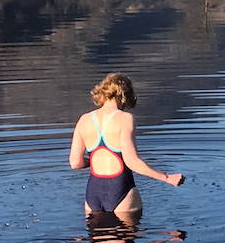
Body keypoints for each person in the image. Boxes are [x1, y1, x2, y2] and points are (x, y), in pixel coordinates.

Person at [69, 72, 183, 219]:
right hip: (121, 189)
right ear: (125, 95)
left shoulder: (84, 120)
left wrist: (100, 160)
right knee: (130, 239)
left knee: (96, 239)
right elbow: (132, 161)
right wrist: (167, 177)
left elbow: (75, 163)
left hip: (93, 193)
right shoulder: (125, 119)